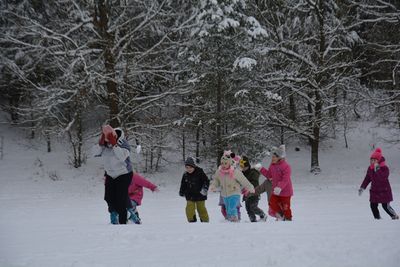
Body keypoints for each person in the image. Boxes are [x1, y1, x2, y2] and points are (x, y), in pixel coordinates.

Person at [96, 125, 133, 224]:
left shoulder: (123, 144)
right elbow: (95, 153)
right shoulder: (105, 144)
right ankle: (117, 212)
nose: (108, 142)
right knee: (108, 197)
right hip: (110, 175)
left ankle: (123, 222)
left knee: (121, 199)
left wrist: (114, 144)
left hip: (124, 174)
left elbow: (122, 157)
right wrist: (101, 143)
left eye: (109, 138)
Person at [210, 151, 255, 222]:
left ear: (230, 163)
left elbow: (243, 180)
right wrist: (213, 186)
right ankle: (230, 221)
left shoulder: (235, 172)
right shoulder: (219, 172)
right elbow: (216, 180)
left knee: (232, 207)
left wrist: (250, 187)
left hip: (234, 193)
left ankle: (234, 219)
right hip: (224, 194)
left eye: (225, 163)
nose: (223, 165)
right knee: (227, 209)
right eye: (222, 163)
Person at [359, 148, 399, 220]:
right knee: (373, 205)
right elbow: (367, 179)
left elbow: (382, 177)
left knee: (385, 206)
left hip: (384, 190)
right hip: (374, 191)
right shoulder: (370, 168)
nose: (372, 161)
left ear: (379, 160)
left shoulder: (384, 168)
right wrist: (362, 187)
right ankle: (377, 219)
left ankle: (394, 216)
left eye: (374, 160)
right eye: (371, 160)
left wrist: (377, 169)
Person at [255, 145, 293, 221]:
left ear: (280, 158)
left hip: (285, 191)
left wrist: (280, 187)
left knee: (286, 207)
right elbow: (269, 175)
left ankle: (288, 219)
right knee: (272, 203)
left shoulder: (286, 166)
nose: (272, 158)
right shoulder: (272, 166)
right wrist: (261, 169)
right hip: (275, 191)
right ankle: (281, 216)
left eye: (274, 157)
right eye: (272, 157)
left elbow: (285, 179)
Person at [179, 157, 210, 223]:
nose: (189, 169)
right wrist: (181, 191)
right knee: (189, 208)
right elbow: (183, 184)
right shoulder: (185, 175)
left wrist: (205, 188)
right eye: (187, 167)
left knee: (201, 209)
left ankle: (205, 221)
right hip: (190, 195)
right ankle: (191, 220)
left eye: (190, 167)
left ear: (194, 166)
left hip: (200, 194)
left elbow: (206, 181)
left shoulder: (200, 172)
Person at [240, 156, 266, 222]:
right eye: (242, 167)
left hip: (254, 193)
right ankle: (253, 220)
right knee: (248, 208)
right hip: (247, 195)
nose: (243, 168)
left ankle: (262, 215)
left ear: (248, 166)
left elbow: (254, 182)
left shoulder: (253, 172)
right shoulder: (242, 174)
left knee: (253, 207)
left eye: (244, 167)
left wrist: (248, 187)